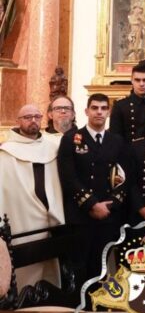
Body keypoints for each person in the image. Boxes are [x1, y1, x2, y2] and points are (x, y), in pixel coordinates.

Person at [58, 94, 129, 286]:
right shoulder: (71, 138)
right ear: (86, 111)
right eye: (95, 108)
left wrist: (111, 205)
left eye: (103, 108)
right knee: (79, 265)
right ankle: (80, 309)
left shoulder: (117, 141)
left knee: (102, 266)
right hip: (81, 213)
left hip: (108, 214)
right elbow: (68, 177)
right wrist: (91, 204)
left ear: (108, 112)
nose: (99, 112)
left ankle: (97, 309)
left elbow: (123, 177)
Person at [0, 104, 66, 290]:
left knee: (50, 264)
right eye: (28, 117)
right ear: (18, 121)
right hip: (21, 214)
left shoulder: (52, 146)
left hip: (51, 214)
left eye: (37, 116)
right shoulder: (6, 152)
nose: (33, 121)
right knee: (24, 264)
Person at [109, 63, 145, 143]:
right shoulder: (120, 105)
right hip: (128, 152)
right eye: (137, 80)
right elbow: (115, 136)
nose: (141, 84)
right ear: (131, 80)